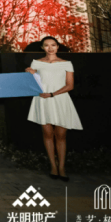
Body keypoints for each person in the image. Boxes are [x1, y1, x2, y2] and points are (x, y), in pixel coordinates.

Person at [26, 36, 82, 182]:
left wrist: (52, 94)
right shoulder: (36, 63)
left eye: (53, 45)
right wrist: (29, 74)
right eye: (46, 45)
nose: (50, 48)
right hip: (43, 100)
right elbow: (31, 83)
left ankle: (62, 168)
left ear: (57, 46)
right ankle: (53, 166)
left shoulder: (66, 63)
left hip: (60, 100)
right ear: (42, 47)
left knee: (61, 135)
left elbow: (70, 85)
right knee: (47, 133)